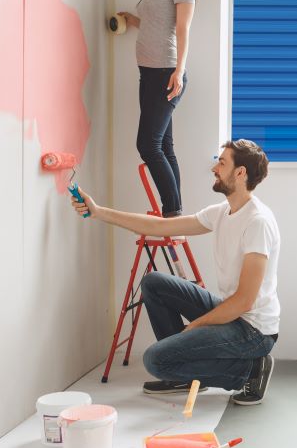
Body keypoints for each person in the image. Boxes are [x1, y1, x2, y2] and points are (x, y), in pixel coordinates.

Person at [71, 139, 280, 405]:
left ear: (241, 173)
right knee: (154, 283)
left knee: (154, 360)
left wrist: (196, 325)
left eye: (222, 162)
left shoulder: (257, 222)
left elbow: (244, 301)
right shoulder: (223, 212)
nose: (215, 168)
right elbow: (160, 227)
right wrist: (99, 212)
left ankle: (250, 371)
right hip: (233, 312)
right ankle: (183, 371)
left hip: (254, 330)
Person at [118, 0, 196, 217]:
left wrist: (179, 70)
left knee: (148, 144)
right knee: (164, 144)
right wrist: (133, 20)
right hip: (150, 72)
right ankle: (174, 211)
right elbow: (157, 25)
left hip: (167, 72)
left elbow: (182, 29)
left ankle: (172, 212)